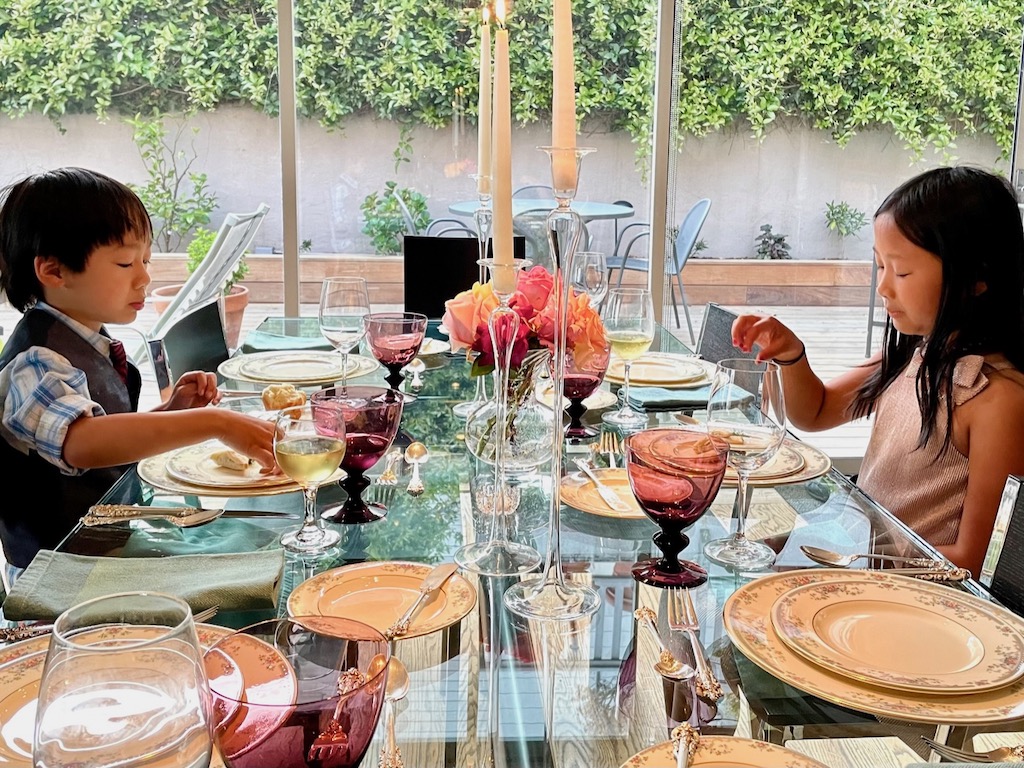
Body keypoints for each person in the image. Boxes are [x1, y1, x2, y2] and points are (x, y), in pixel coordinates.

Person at [731, 166, 1024, 576]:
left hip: (900, 595)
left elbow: (973, 562)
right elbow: (814, 412)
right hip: (854, 558)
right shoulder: (912, 355)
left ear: (977, 278)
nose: (884, 287)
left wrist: (847, 568)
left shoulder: (995, 398)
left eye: (901, 271)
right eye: (880, 267)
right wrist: (791, 355)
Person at [0, 167, 277, 580]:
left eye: (144, 260)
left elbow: (105, 432)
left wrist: (171, 411)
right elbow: (80, 443)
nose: (144, 277)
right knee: (247, 569)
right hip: (58, 576)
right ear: (54, 271)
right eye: (125, 262)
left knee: (259, 551)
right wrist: (213, 421)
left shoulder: (88, 339)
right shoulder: (34, 362)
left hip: (107, 549)